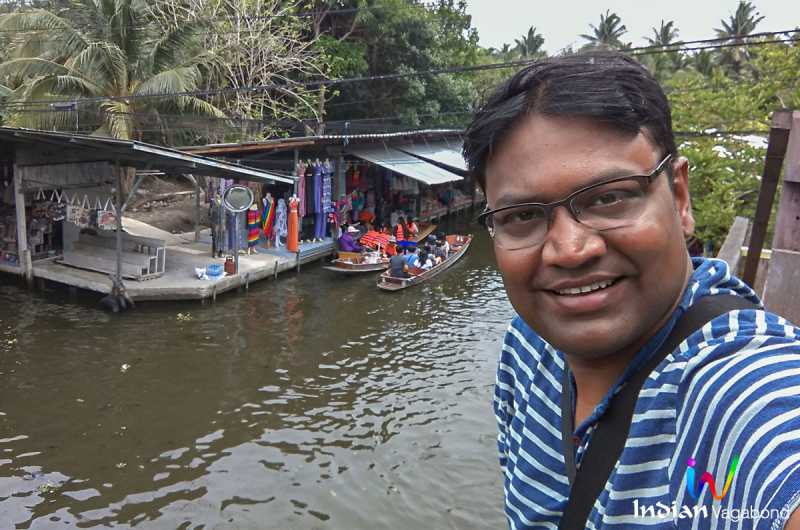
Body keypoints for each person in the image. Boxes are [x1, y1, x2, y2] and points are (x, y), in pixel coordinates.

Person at [463, 51, 800, 529]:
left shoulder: (737, 387)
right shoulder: (525, 346)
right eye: (522, 216)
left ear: (679, 197)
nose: (570, 250)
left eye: (609, 197)